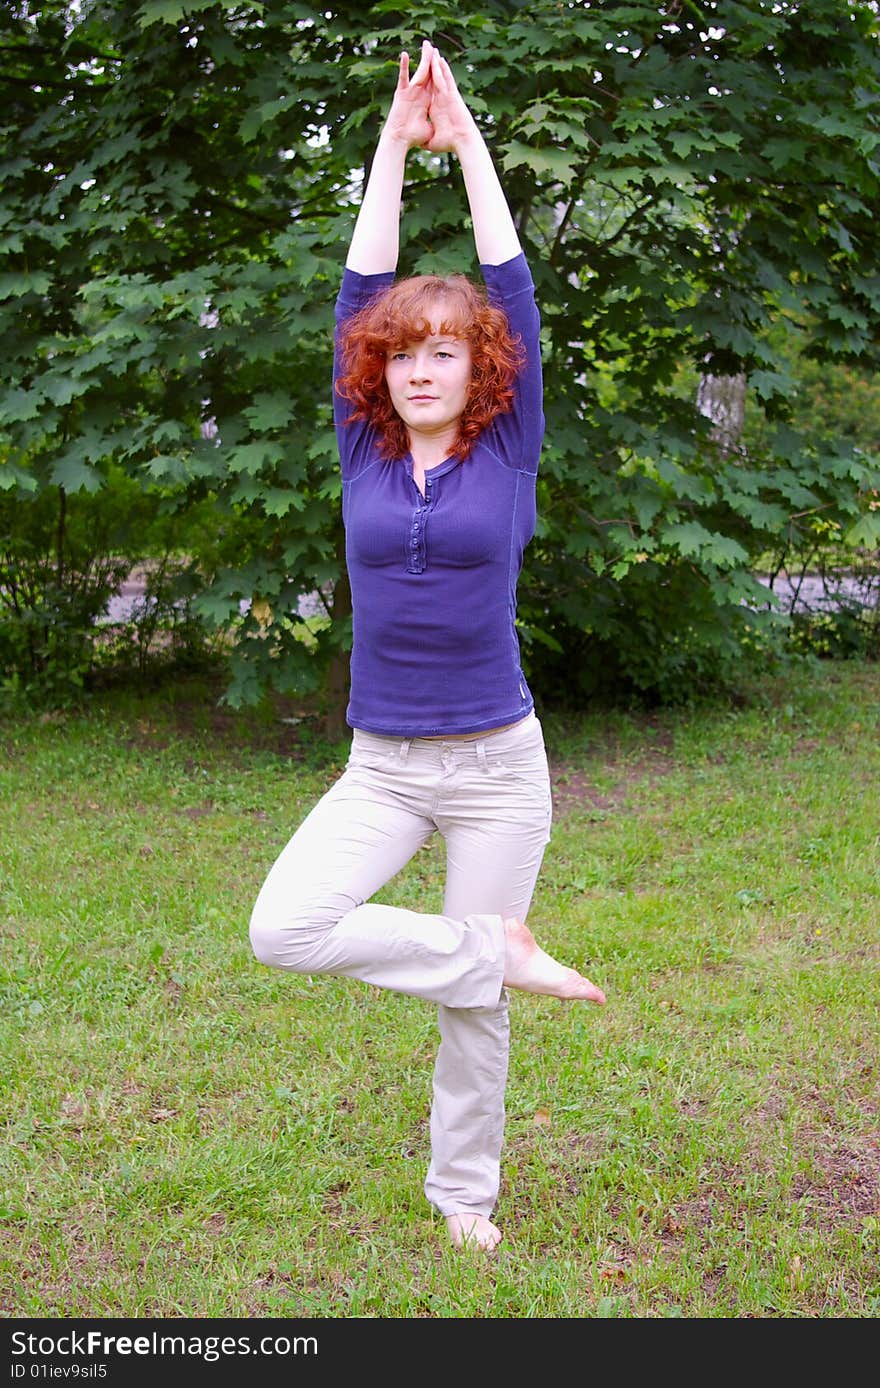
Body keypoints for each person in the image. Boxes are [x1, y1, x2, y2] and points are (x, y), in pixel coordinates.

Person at [249, 40, 606, 1253]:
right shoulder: (361, 442)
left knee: (473, 1019)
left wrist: (471, 147)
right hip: (383, 764)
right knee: (283, 924)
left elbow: (510, 281)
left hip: (498, 763)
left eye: (442, 351)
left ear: (481, 368)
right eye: (401, 353)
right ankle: (487, 948)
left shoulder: (507, 447)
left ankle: (465, 1200)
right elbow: (361, 283)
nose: (416, 367)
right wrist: (393, 150)